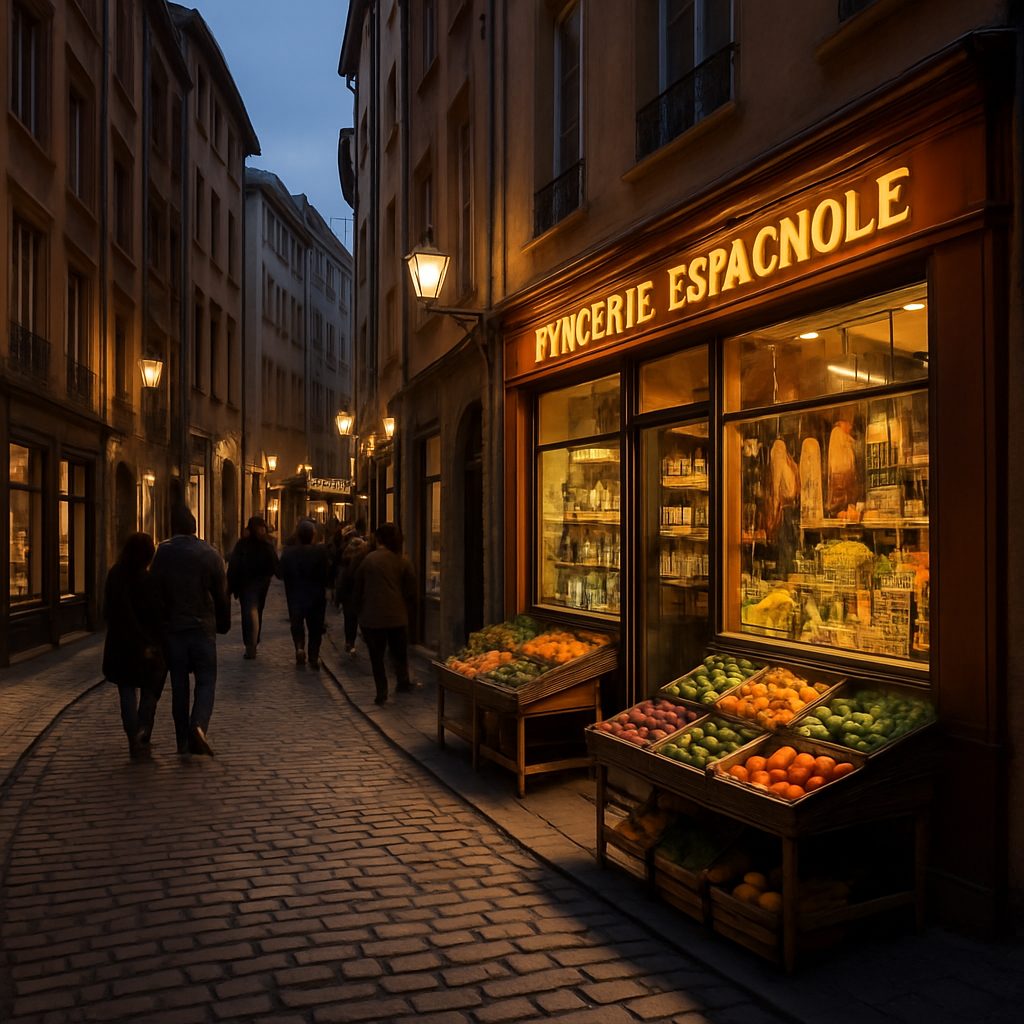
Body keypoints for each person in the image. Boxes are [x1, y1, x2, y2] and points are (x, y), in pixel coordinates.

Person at [150, 504, 231, 757]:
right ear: (194, 527)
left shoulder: (163, 553)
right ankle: (198, 725)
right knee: (206, 680)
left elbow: (155, 593)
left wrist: (156, 627)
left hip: (174, 629)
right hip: (202, 627)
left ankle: (182, 741)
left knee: (179, 686)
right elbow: (221, 594)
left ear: (172, 526)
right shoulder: (210, 553)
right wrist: (223, 623)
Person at [102, 532, 167, 760]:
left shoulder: (115, 575)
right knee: (150, 688)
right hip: (145, 644)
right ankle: (142, 730)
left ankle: (133, 737)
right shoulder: (148, 580)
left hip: (121, 642)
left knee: (127, 689)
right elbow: (157, 615)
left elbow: (108, 610)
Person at [353, 522, 418, 705]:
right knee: (399, 652)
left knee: (377, 656)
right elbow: (411, 591)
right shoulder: (402, 561)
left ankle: (381, 690)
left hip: (372, 618)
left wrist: (358, 610)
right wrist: (408, 611)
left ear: (379, 539)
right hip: (397, 617)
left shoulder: (369, 560)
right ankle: (402, 681)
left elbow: (358, 587)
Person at [279, 518, 332, 669]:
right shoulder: (320, 552)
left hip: (295, 595)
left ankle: (299, 647)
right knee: (315, 627)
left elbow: (280, 573)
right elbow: (327, 573)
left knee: (297, 624)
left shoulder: (288, 553)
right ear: (312, 535)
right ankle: (313, 656)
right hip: (316, 596)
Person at [227, 515, 280, 659]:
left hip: (252, 584)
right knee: (253, 611)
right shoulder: (257, 545)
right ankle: (252, 644)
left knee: (250, 612)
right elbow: (275, 566)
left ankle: (251, 644)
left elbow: (234, 565)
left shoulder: (250, 545)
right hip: (252, 583)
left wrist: (230, 585)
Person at [336, 518, 369, 654]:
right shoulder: (364, 561)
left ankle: (350, 642)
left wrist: (338, 597)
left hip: (348, 596)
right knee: (360, 618)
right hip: (360, 596)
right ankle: (360, 640)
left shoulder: (346, 562)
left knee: (349, 619)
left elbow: (341, 581)